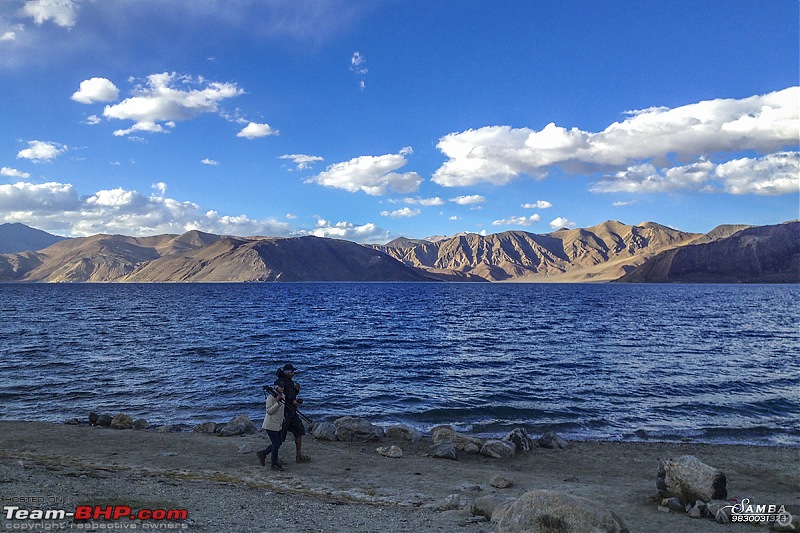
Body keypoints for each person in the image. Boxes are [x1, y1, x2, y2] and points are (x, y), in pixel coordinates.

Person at [275, 363, 311, 463]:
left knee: (299, 431)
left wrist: (296, 390)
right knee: (280, 435)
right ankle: (273, 457)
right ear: (286, 372)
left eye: (293, 372)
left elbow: (291, 394)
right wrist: (292, 402)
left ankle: (299, 455)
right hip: (284, 412)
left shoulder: (289, 382)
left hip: (292, 411)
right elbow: (279, 397)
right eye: (291, 372)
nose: (293, 373)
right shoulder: (280, 382)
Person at [256, 380, 285, 471]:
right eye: (280, 386)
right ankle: (274, 463)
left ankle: (263, 453)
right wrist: (277, 403)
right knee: (276, 443)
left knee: (278, 443)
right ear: (276, 387)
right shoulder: (270, 397)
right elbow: (269, 411)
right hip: (270, 424)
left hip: (278, 423)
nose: (282, 388)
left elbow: (281, 410)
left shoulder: (282, 396)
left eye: (283, 387)